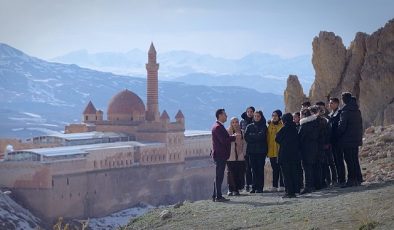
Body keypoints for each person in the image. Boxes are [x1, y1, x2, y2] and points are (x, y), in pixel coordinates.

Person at [211, 108, 239, 202]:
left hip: (220, 155)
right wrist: (233, 137)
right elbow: (223, 140)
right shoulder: (218, 127)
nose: (226, 116)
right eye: (225, 114)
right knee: (219, 176)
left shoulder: (218, 126)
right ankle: (218, 197)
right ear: (220, 115)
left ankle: (215, 195)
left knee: (218, 176)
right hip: (220, 155)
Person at [337, 93, 363, 187]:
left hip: (347, 140)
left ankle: (351, 180)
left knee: (349, 160)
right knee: (355, 159)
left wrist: (337, 134)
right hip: (356, 139)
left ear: (344, 100)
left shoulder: (345, 111)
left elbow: (342, 127)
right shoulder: (357, 110)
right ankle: (358, 178)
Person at [276, 113, 301, 198]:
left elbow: (277, 138)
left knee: (286, 174)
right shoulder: (295, 128)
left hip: (284, 154)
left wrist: (284, 143)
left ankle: (289, 192)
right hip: (294, 155)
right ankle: (295, 190)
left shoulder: (284, 128)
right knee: (294, 172)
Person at [244, 110, 268, 193]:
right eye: (255, 116)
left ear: (261, 117)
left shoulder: (264, 126)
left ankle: (260, 187)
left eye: (258, 116)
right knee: (253, 170)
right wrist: (256, 136)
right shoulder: (249, 126)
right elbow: (246, 137)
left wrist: (252, 136)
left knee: (260, 169)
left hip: (261, 152)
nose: (256, 117)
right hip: (251, 151)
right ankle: (254, 187)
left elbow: (262, 137)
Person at [316, 101, 338, 187]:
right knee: (324, 163)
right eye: (318, 108)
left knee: (331, 163)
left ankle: (334, 179)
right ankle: (327, 180)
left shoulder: (328, 117)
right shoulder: (317, 118)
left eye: (321, 107)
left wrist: (328, 142)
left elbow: (330, 132)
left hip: (328, 144)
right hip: (320, 145)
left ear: (324, 107)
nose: (320, 109)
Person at [299, 108, 319, 194]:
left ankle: (308, 186)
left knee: (306, 168)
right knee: (313, 167)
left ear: (303, 115)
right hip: (314, 148)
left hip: (306, 149)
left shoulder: (304, 125)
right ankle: (314, 185)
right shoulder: (315, 123)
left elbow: (300, 137)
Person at [328, 97, 346, 186]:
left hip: (338, 141)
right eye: (329, 103)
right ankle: (339, 179)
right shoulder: (331, 114)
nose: (330, 105)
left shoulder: (339, 113)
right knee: (335, 161)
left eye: (331, 103)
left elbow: (339, 128)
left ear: (336, 104)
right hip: (333, 142)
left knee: (339, 160)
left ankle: (342, 179)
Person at [226, 117, 246, 196]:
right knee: (230, 173)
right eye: (233, 122)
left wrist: (243, 154)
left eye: (236, 122)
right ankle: (231, 189)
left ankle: (236, 189)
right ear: (231, 123)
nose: (235, 124)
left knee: (239, 173)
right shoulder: (227, 132)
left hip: (240, 156)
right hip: (230, 156)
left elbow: (244, 143)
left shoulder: (242, 132)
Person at [267, 109, 285, 192]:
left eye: (276, 116)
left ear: (279, 117)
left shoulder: (282, 126)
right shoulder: (269, 126)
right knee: (275, 169)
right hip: (271, 151)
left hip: (280, 150)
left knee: (281, 168)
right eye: (273, 116)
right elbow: (267, 138)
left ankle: (282, 185)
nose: (274, 117)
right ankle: (274, 186)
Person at [240, 106, 255, 192]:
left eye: (251, 111)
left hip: (253, 146)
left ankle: (254, 184)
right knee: (247, 167)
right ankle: (247, 184)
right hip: (245, 147)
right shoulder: (242, 121)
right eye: (248, 111)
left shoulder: (255, 120)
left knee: (253, 166)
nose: (249, 113)